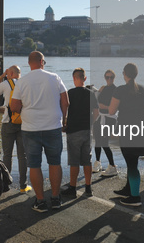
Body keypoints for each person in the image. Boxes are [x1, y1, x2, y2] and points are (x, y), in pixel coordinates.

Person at [9, 51, 69, 212]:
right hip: (53, 126)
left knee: (34, 165)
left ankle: (41, 201)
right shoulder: (54, 78)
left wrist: (24, 108)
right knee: (55, 163)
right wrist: (64, 119)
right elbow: (66, 101)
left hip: (30, 128)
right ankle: (56, 199)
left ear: (29, 63)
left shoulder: (22, 82)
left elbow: (14, 106)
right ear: (42, 62)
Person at [109, 63, 144, 207]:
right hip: (142, 127)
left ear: (124, 74)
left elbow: (111, 111)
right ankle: (128, 189)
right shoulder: (143, 90)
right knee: (132, 160)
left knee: (132, 163)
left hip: (128, 128)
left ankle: (135, 197)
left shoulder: (120, 90)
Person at [0, 65, 32, 193]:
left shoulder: (6, 83)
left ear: (11, 73)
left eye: (8, 73)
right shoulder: (26, 82)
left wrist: (1, 77)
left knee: (7, 155)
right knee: (22, 156)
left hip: (8, 123)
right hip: (24, 123)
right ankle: (23, 185)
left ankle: (6, 185)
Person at [61, 68, 98, 198]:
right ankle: (88, 188)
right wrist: (91, 124)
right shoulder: (91, 93)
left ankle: (73, 187)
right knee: (87, 160)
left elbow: (64, 110)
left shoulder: (69, 93)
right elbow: (96, 112)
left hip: (73, 130)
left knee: (74, 161)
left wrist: (64, 124)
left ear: (74, 78)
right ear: (85, 78)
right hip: (87, 130)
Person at [94, 69, 118, 176]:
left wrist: (103, 106)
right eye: (107, 77)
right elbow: (96, 101)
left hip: (110, 119)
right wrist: (99, 92)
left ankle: (112, 166)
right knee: (97, 141)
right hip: (100, 117)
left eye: (111, 77)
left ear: (114, 78)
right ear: (105, 78)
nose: (109, 79)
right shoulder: (103, 88)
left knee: (104, 142)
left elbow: (115, 107)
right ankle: (97, 163)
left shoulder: (116, 90)